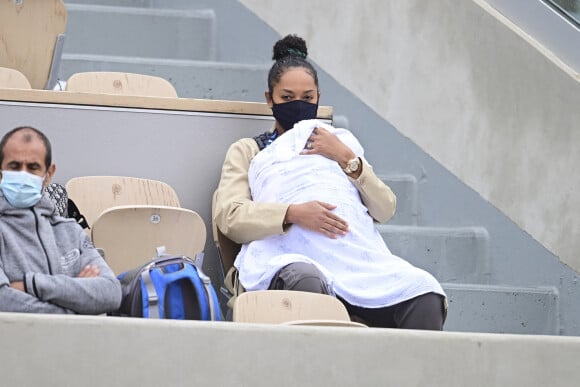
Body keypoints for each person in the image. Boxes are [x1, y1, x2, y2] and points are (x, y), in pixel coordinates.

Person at [214, 35, 446, 329]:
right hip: (288, 257)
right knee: (307, 279)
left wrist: (347, 159)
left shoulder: (340, 144)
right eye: (287, 97)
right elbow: (230, 216)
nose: (298, 104)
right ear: (269, 98)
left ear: (318, 97)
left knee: (424, 291)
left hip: (353, 260)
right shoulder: (250, 150)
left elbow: (385, 209)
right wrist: (293, 213)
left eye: (308, 97)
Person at [0, 126, 122, 314]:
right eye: (14, 166)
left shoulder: (71, 232)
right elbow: (3, 301)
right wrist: (76, 301)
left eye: (33, 167)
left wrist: (30, 284)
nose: (23, 175)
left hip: (74, 343)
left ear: (48, 174)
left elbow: (111, 293)